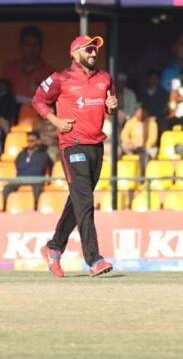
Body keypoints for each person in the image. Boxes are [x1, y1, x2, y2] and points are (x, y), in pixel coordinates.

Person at [31, 35, 117, 277]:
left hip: (96, 146)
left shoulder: (104, 78)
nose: (93, 52)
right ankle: (94, 259)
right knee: (85, 202)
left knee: (78, 201)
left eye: (95, 49)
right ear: (74, 53)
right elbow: (38, 100)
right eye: (88, 49)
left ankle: (54, 247)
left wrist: (111, 107)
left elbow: (109, 106)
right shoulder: (60, 78)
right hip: (73, 146)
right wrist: (55, 120)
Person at [2, 25, 54, 103]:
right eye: (27, 45)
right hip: (11, 110)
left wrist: (43, 89)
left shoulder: (49, 73)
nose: (31, 50)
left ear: (41, 47)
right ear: (20, 46)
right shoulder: (9, 69)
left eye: (35, 45)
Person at [2, 131, 51, 211]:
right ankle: (4, 208)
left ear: (38, 141)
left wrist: (27, 167)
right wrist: (31, 166)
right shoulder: (22, 153)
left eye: (32, 141)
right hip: (20, 178)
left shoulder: (43, 154)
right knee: (6, 188)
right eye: (28, 141)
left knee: (37, 191)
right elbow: (18, 166)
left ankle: (35, 210)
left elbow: (39, 168)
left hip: (36, 179)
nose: (29, 143)